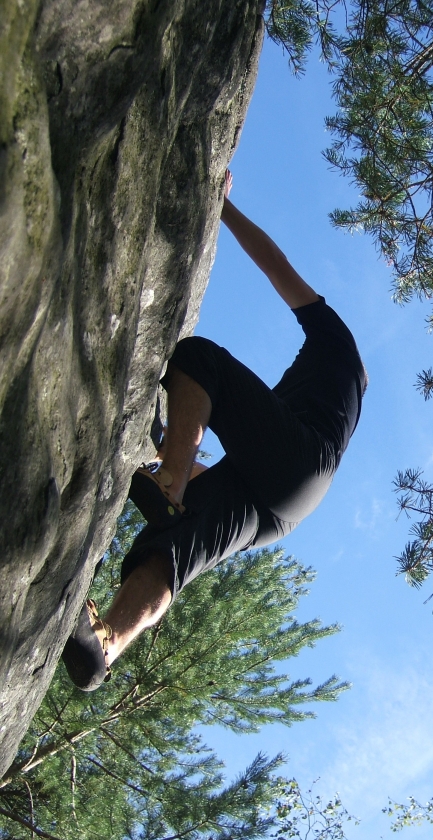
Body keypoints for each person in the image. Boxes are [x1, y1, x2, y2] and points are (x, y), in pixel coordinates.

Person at [62, 171, 367, 691]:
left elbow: (277, 266)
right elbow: (232, 468)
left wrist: (223, 207)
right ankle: (106, 643)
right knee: (175, 545)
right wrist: (166, 442)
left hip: (302, 466)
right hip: (283, 509)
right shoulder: (319, 402)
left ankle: (169, 483)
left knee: (201, 359)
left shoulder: (338, 346)